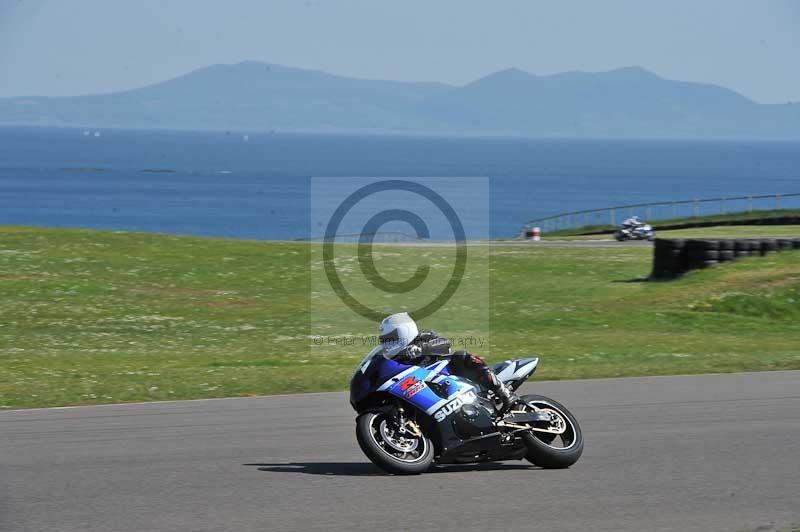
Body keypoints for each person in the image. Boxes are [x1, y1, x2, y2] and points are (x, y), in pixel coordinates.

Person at [378, 312, 519, 414]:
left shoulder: (423, 336)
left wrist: (421, 348)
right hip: (426, 386)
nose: (388, 343)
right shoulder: (396, 358)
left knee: (462, 356)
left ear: (404, 331)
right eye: (385, 340)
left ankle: (504, 392)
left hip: (447, 372)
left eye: (391, 338)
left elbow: (444, 343)